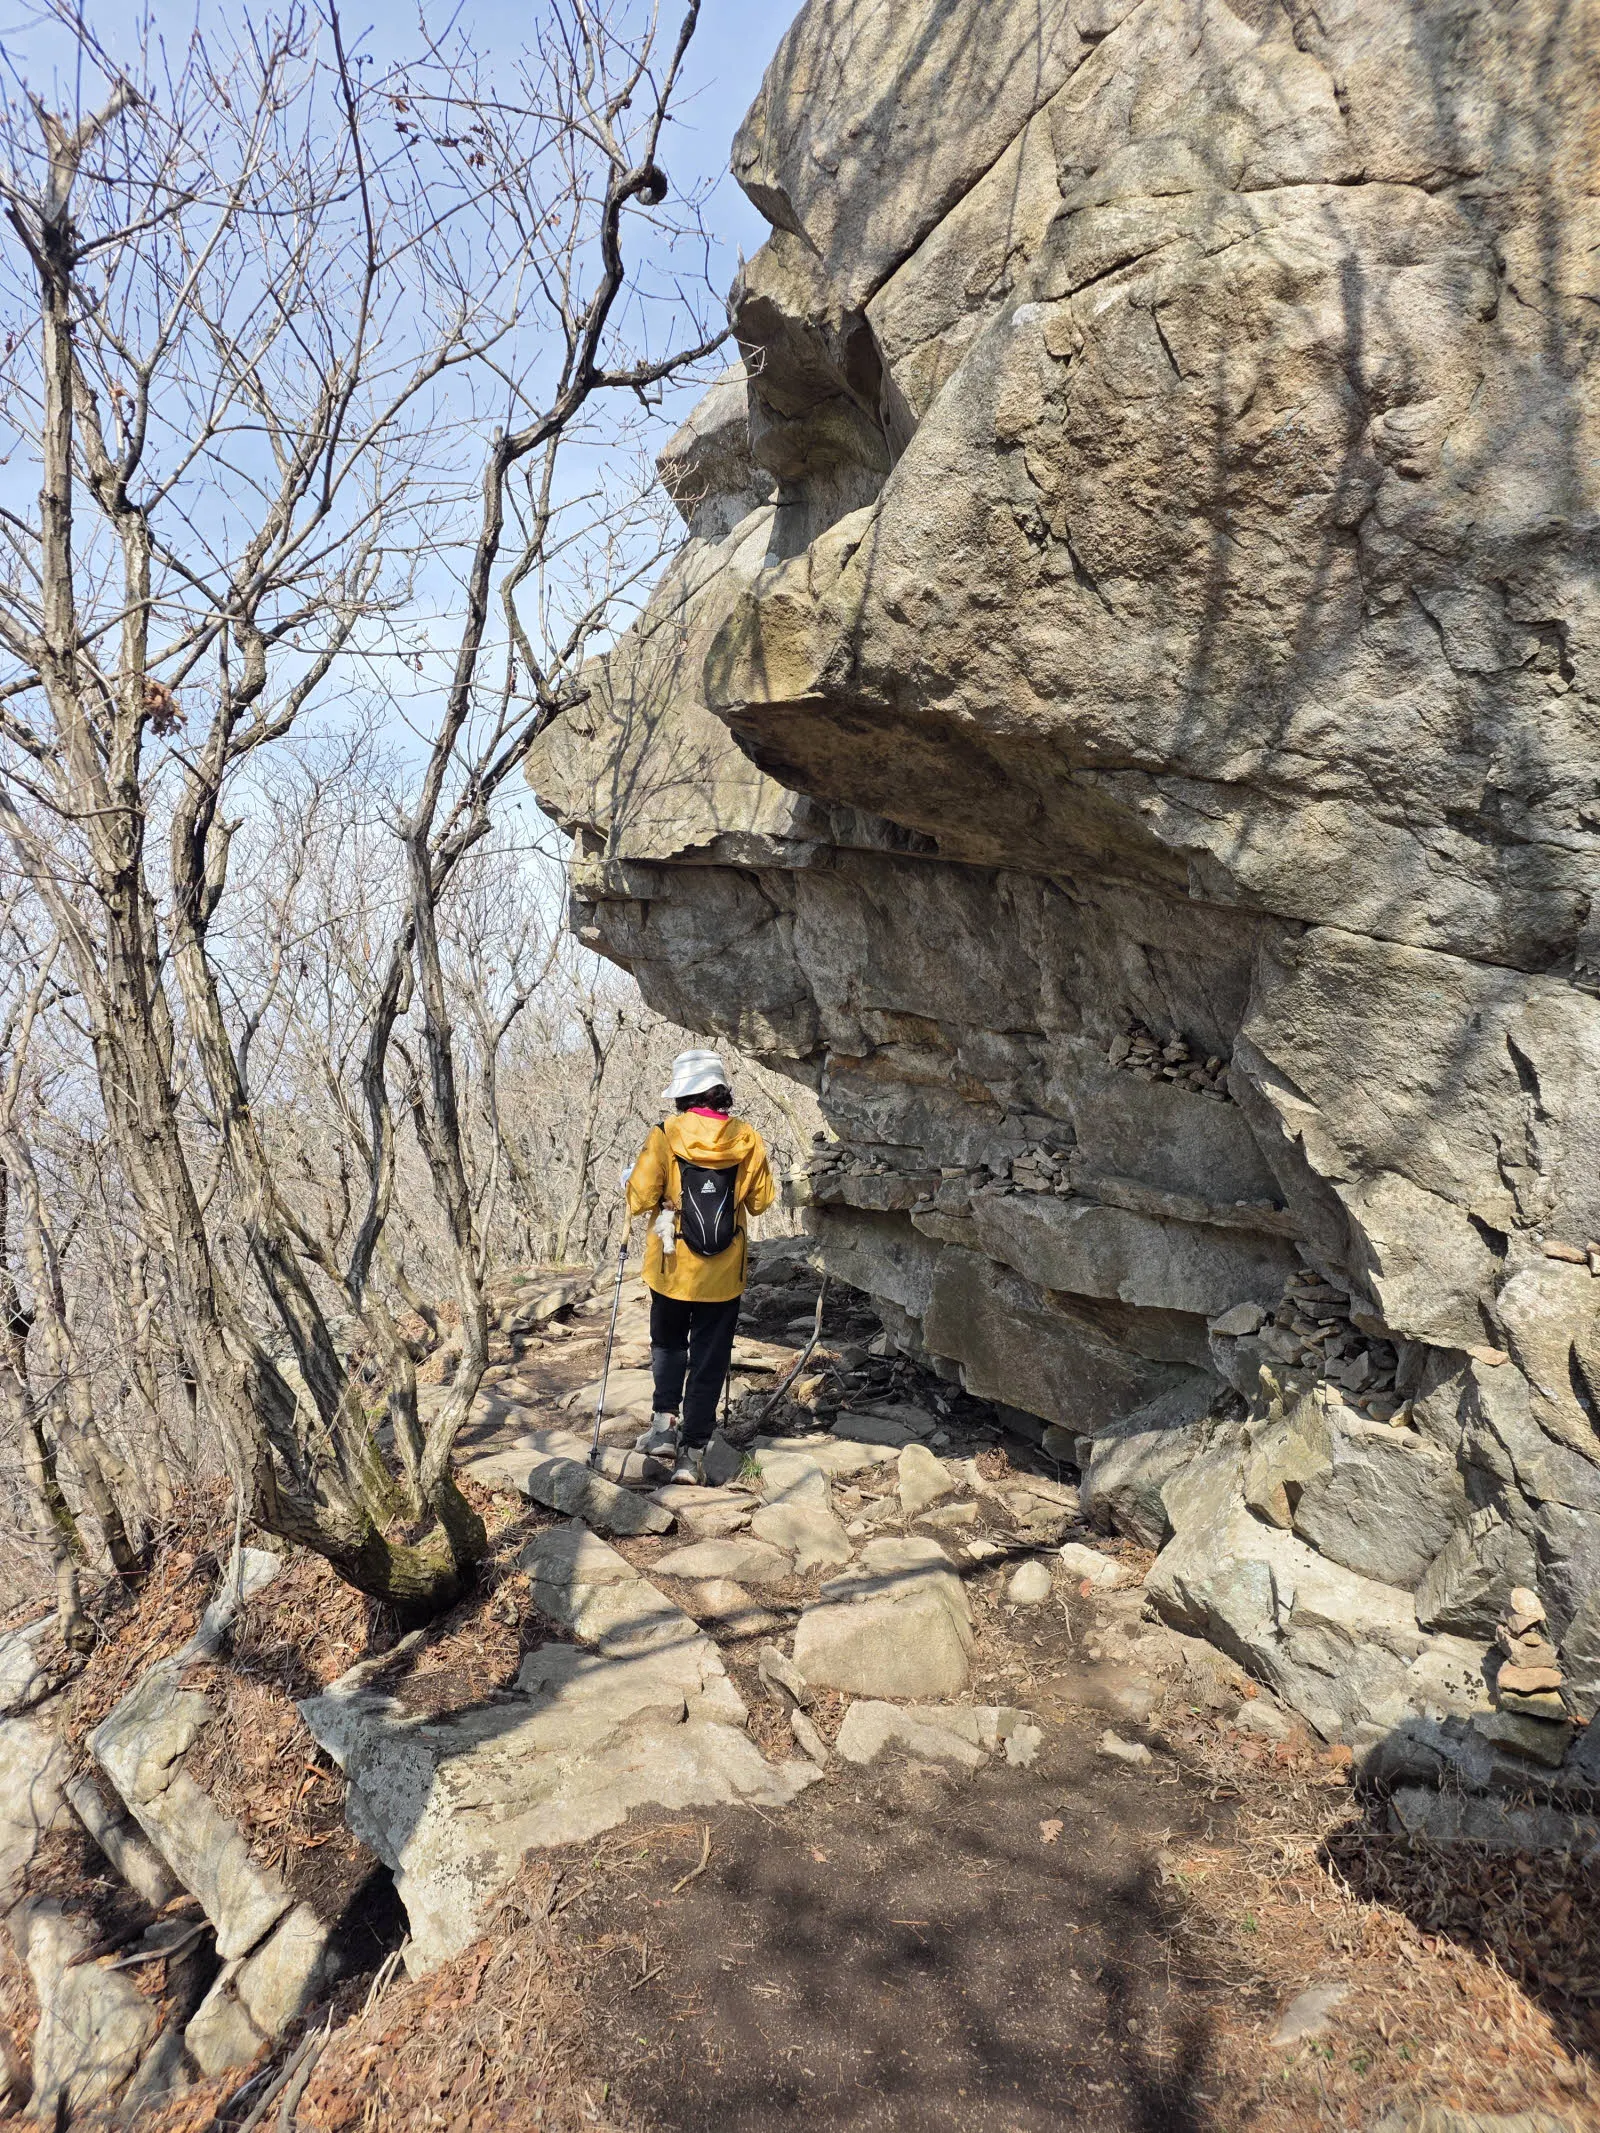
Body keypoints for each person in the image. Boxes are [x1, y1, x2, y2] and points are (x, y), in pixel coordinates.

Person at [625, 1048, 775, 1483]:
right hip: (724, 1272)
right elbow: (762, 1202)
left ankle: (663, 1429)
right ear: (720, 1091)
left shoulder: (665, 1135)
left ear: (683, 1094)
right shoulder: (747, 1138)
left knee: (669, 1344)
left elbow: (638, 1199)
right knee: (710, 1359)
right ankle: (691, 1453)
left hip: (672, 1266)